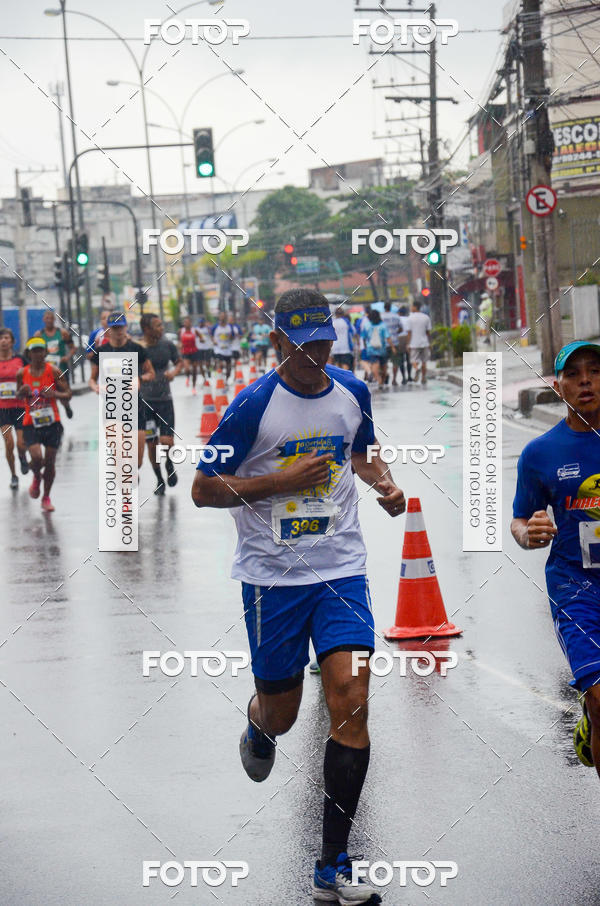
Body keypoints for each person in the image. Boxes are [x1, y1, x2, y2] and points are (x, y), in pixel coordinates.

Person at [192, 287, 405, 904]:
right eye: (301, 345)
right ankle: (259, 725)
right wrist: (281, 481)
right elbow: (204, 490)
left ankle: (333, 862)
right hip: (272, 580)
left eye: (323, 343)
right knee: (284, 713)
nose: (314, 356)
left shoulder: (351, 392)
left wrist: (385, 485)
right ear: (278, 342)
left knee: (352, 697)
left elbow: (362, 455)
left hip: (340, 569)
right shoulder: (251, 407)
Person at [511, 341, 600, 778]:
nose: (586, 381)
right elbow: (519, 521)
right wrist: (531, 533)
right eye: (575, 373)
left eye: (595, 371)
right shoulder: (540, 454)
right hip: (576, 589)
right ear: (558, 386)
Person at [89, 312, 155, 469]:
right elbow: (92, 379)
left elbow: (151, 373)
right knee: (118, 455)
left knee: (137, 462)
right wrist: (96, 387)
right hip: (111, 408)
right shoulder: (101, 352)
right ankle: (126, 485)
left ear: (126, 327)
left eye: (120, 328)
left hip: (135, 408)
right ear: (108, 330)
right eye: (114, 328)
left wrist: (139, 379)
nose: (118, 332)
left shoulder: (136, 349)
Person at [16, 337, 71, 512]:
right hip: (30, 422)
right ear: (29, 353)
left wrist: (54, 394)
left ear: (45, 352)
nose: (38, 354)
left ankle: (46, 497)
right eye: (34, 351)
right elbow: (18, 395)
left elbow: (68, 393)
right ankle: (36, 477)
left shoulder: (54, 371)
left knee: (50, 462)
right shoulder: (21, 373)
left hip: (52, 422)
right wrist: (21, 392)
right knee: (37, 458)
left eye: (41, 350)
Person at [140, 313, 183, 495]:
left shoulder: (167, 345)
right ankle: (159, 479)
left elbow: (179, 362)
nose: (161, 328)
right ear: (147, 329)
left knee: (167, 441)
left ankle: (169, 463)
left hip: (165, 401)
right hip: (145, 404)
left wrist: (174, 372)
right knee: (152, 444)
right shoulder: (138, 349)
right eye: (157, 326)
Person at [0, 327, 28, 488]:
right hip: (2, 409)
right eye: (1, 338)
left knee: (21, 443)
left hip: (19, 407)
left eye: (6, 338)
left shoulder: (20, 360)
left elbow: (31, 374)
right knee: (9, 443)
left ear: (12, 342)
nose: (3, 341)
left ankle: (23, 458)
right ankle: (13, 475)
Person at [35, 309, 74, 418]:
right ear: (43, 320)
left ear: (54, 320)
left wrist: (67, 357)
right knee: (46, 393)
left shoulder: (62, 333)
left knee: (64, 393)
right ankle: (51, 414)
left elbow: (72, 347)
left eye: (51, 318)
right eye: (47, 318)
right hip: (46, 370)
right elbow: (33, 351)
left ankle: (66, 405)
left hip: (61, 368)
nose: (49, 320)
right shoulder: (39, 335)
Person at [361, 308, 389, 390]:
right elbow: (387, 337)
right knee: (384, 368)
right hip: (382, 350)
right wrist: (392, 347)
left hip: (371, 349)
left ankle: (380, 381)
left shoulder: (367, 325)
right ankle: (381, 381)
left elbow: (363, 337)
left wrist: (365, 346)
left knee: (374, 366)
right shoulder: (383, 325)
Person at [406, 300, 432, 386]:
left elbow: (409, 333)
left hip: (414, 343)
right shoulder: (426, 317)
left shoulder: (410, 318)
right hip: (424, 342)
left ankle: (416, 369)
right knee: (424, 362)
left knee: (413, 360)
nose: (411, 308)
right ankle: (423, 378)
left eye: (412, 306)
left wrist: (408, 344)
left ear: (415, 307)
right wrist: (430, 342)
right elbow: (428, 332)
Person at [381, 301, 403, 386]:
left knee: (384, 363)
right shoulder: (396, 316)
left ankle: (384, 378)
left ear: (384, 307)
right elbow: (401, 328)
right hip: (395, 342)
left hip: (383, 343)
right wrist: (395, 333)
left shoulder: (381, 317)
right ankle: (394, 379)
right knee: (395, 362)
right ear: (390, 307)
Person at [212, 311, 235, 381]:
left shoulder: (230, 327)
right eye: (221, 316)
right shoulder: (216, 326)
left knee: (229, 368)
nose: (222, 318)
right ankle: (219, 377)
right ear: (219, 317)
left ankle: (226, 380)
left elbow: (233, 337)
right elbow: (211, 335)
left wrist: (230, 337)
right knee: (221, 364)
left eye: (224, 316)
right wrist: (214, 341)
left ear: (226, 318)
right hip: (219, 349)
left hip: (228, 349)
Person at [397, 305, 413, 384]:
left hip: (399, 339)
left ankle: (403, 378)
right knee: (408, 359)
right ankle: (409, 376)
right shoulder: (409, 319)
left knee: (400, 360)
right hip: (408, 338)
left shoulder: (397, 319)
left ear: (399, 313)